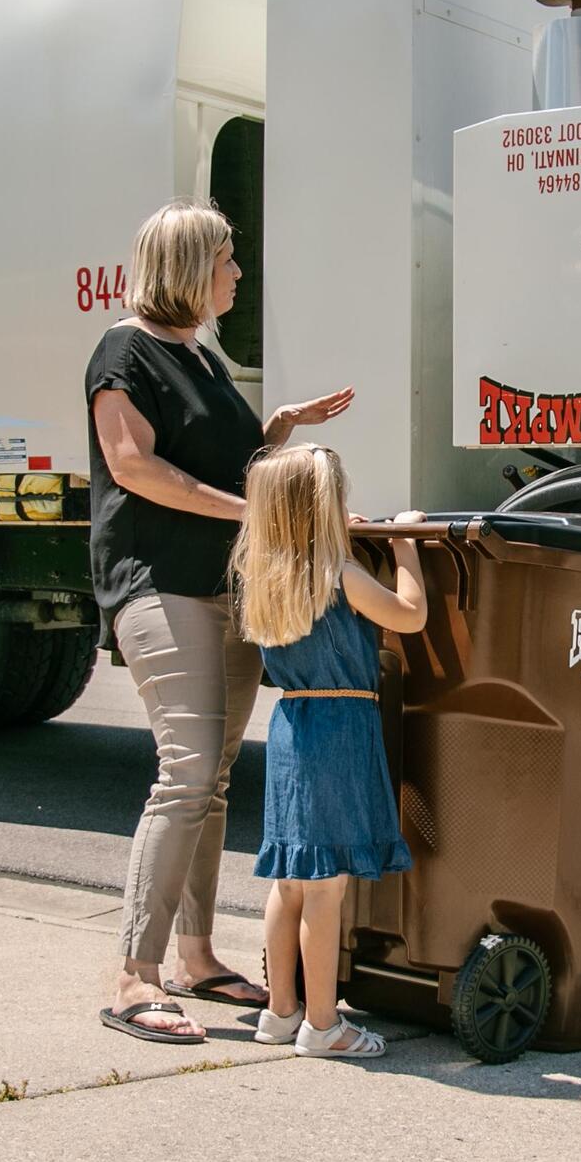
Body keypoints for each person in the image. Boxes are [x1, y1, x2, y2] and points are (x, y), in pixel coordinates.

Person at [93, 199, 357, 1045]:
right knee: (186, 771)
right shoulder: (124, 351)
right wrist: (249, 511)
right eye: (226, 259)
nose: (238, 272)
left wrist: (281, 428)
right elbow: (134, 467)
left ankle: (196, 957)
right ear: (187, 266)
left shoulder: (200, 357)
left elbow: (230, 462)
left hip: (224, 590)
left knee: (212, 781)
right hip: (157, 584)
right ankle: (134, 975)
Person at [229, 445, 427, 1060]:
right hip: (340, 729)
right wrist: (405, 544)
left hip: (293, 724)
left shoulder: (269, 577)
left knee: (290, 881)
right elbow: (410, 616)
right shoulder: (339, 575)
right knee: (325, 887)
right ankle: (323, 1026)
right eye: (338, 499)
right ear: (320, 509)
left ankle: (280, 1012)